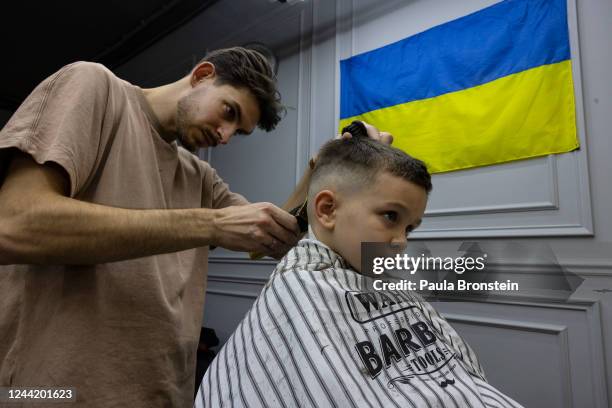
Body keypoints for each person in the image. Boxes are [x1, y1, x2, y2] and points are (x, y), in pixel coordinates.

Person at [0, 47, 391, 407]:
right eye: (229, 112)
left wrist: (322, 168)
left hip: (163, 392)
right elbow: (14, 225)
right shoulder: (94, 86)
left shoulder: (200, 176)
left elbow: (271, 237)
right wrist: (212, 223)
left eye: (236, 132)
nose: (224, 135)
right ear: (203, 75)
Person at [195, 137, 525, 407]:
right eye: (391, 217)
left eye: (410, 228)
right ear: (327, 210)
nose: (400, 242)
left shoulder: (388, 284)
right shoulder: (299, 292)